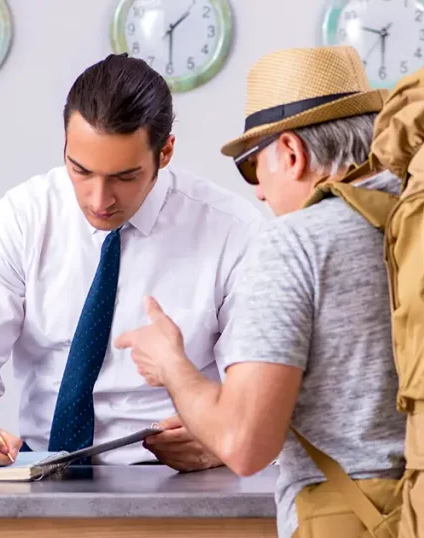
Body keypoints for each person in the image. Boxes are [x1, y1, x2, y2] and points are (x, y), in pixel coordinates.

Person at [115, 46, 406, 538]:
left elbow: (244, 443)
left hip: (351, 520)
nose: (259, 193)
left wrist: (171, 365)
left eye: (253, 166)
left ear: (291, 154)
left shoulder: (296, 241)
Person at [0, 53, 264, 470]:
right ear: (65, 145)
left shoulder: (234, 231)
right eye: (80, 170)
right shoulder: (23, 217)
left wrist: (217, 441)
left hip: (178, 479)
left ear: (166, 151)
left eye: (125, 176)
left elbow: (263, 397)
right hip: (41, 472)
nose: (99, 201)